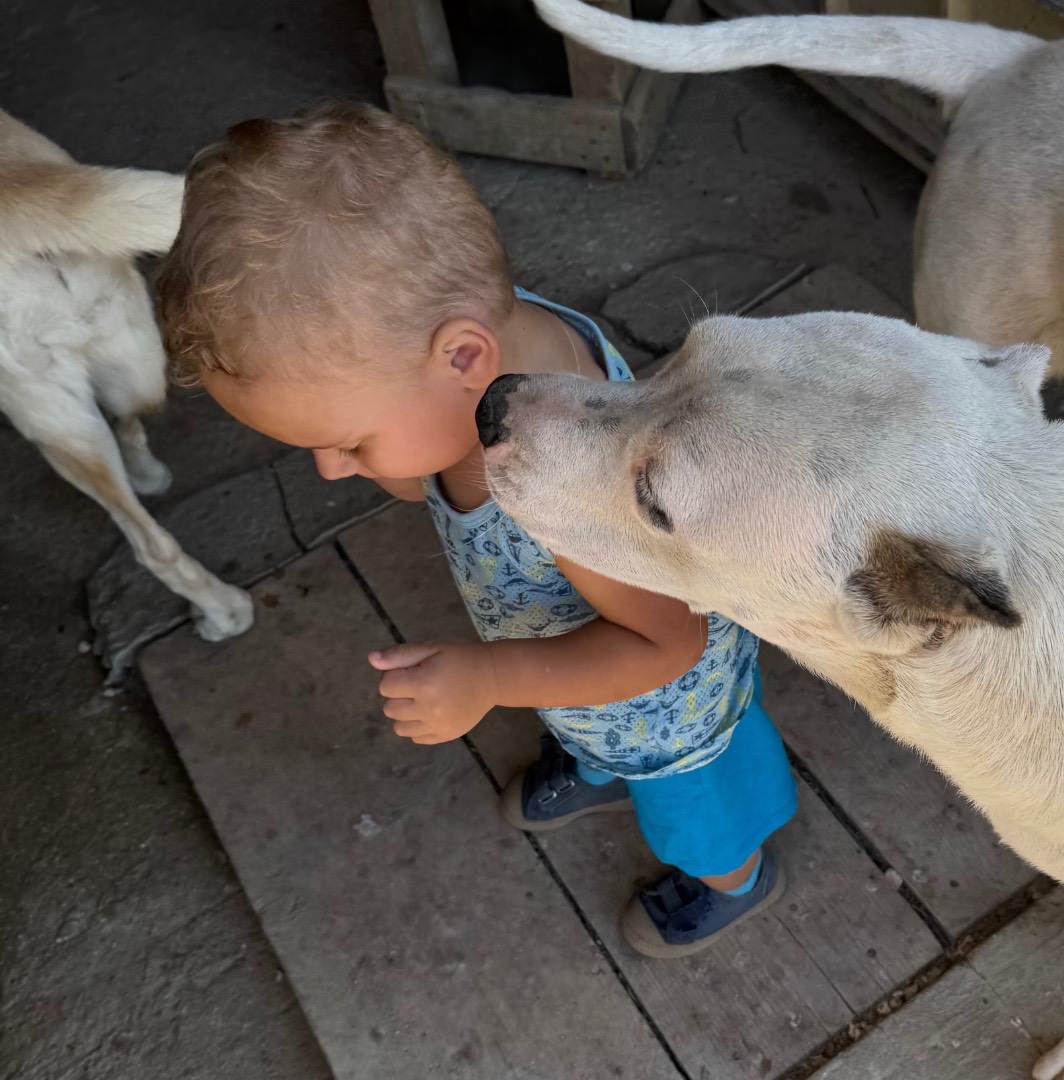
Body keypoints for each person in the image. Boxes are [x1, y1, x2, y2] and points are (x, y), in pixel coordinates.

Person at [155, 101, 797, 957]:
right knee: (580, 711)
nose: (332, 468)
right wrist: (393, 458)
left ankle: (734, 882)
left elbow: (663, 643)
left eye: (347, 442)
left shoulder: (569, 489)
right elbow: (430, 461)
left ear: (463, 358)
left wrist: (490, 678)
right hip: (582, 672)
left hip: (663, 714)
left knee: (697, 822)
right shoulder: (484, 345)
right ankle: (597, 763)